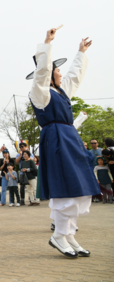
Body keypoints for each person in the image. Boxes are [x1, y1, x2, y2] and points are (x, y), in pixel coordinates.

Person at [27, 28, 98, 258]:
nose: (60, 72)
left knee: (80, 189)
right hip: (56, 141)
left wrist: (80, 53)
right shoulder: (40, 92)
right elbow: (42, 72)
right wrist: (47, 43)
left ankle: (68, 235)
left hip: (69, 139)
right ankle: (58, 235)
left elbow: (74, 76)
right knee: (65, 189)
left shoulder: (62, 91)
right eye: (56, 69)